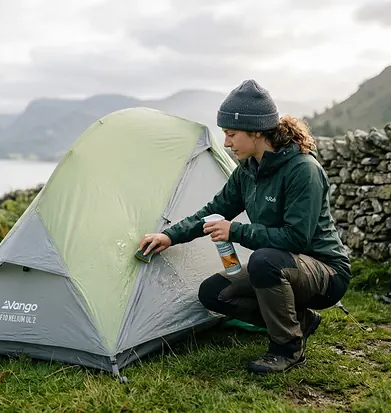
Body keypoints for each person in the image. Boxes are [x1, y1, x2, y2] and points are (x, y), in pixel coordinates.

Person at [138, 79, 351, 374]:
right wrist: (169, 236)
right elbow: (214, 211)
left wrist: (235, 231)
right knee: (214, 293)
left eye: (231, 134)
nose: (226, 143)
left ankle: (287, 349)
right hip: (282, 264)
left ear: (256, 131)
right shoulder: (248, 171)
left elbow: (296, 238)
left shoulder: (304, 170)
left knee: (265, 261)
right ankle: (301, 321)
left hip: (325, 272)